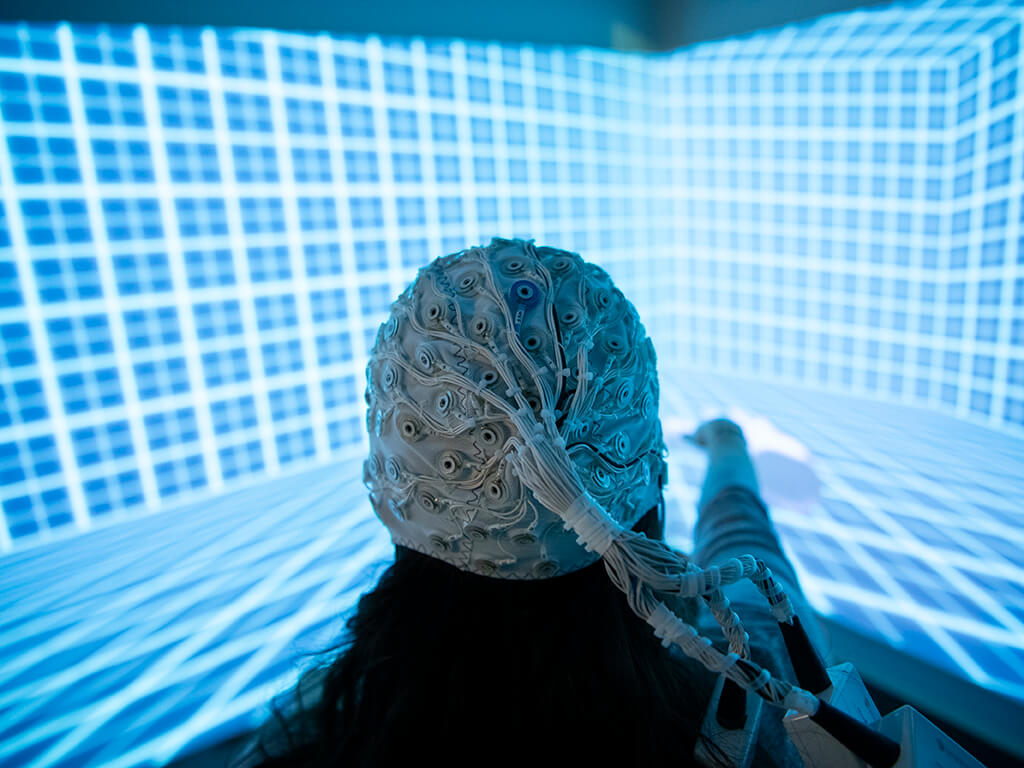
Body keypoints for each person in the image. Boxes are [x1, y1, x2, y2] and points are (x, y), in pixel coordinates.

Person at [229, 238, 832, 768]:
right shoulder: (761, 696)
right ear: (646, 502)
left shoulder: (312, 730)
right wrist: (727, 443)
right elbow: (746, 545)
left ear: (393, 490)